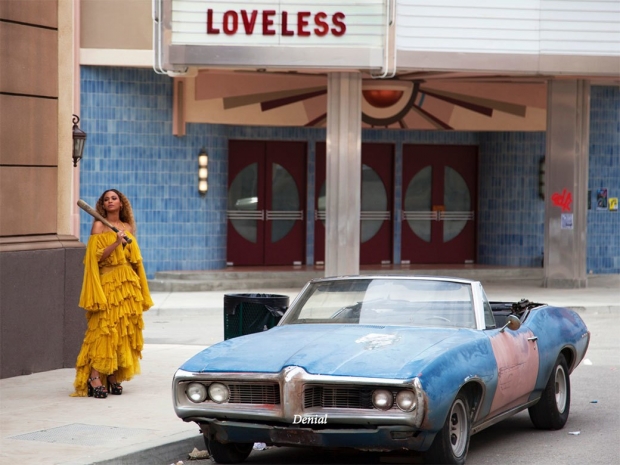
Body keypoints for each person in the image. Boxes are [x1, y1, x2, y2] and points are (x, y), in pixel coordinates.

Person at [71, 189, 153, 398]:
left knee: (122, 331)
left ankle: (112, 374)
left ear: (121, 203)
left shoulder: (127, 227)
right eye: (106, 199)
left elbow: (134, 259)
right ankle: (94, 376)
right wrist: (116, 242)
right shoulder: (99, 226)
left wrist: (139, 285)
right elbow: (95, 258)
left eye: (114, 198)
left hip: (127, 286)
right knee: (104, 330)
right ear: (103, 204)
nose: (110, 201)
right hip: (107, 282)